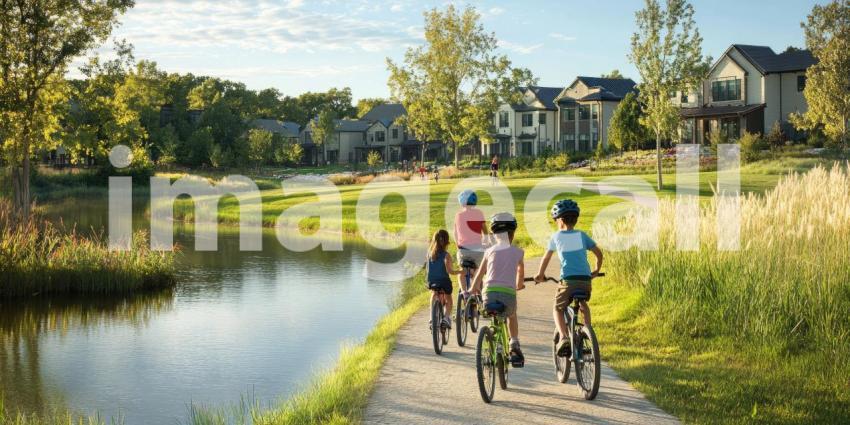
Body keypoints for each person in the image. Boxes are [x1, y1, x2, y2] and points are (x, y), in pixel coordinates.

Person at [534, 199, 603, 356]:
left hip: (568, 281)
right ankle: (587, 332)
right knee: (583, 304)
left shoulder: (556, 237)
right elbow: (598, 253)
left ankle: (564, 337)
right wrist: (596, 270)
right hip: (585, 281)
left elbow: (545, 258)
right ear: (575, 219)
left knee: (558, 308)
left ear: (559, 220)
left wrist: (540, 275)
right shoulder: (582, 235)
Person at [470, 212, 526, 366]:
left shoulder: (489, 252)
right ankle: (514, 343)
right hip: (508, 294)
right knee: (511, 315)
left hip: (488, 294)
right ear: (512, 234)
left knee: (493, 311)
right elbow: (520, 272)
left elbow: (480, 274)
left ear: (494, 235)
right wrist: (519, 285)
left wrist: (472, 290)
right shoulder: (518, 252)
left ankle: (493, 337)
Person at [427, 229, 462, 329]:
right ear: (447, 242)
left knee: (433, 294)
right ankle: (446, 318)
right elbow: (450, 271)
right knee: (449, 300)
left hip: (432, 281)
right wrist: (460, 271)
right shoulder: (446, 255)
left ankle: (431, 318)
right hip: (444, 282)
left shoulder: (429, 254)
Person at [453, 190, 486, 297]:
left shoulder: (458, 215)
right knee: (478, 272)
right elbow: (485, 231)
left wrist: (458, 244)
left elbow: (455, 233)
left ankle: (464, 292)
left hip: (463, 249)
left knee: (462, 272)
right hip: (478, 249)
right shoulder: (479, 213)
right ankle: (478, 294)